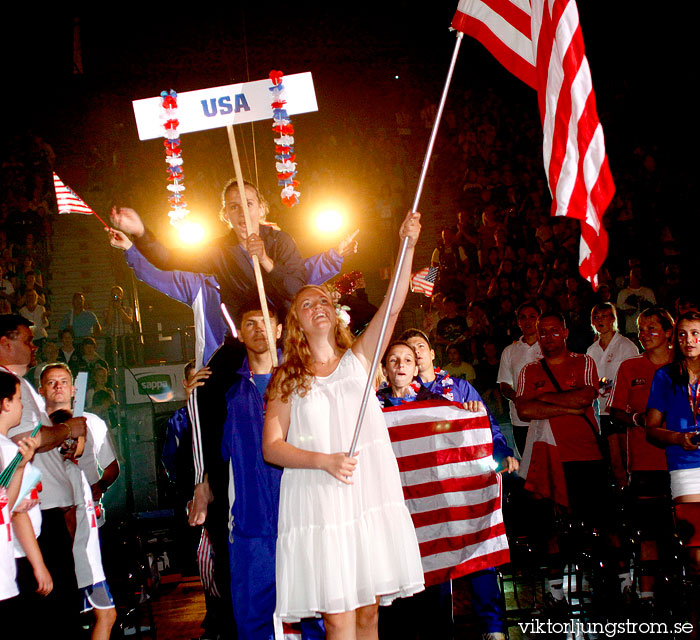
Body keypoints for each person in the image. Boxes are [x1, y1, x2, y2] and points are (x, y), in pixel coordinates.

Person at [262, 211, 425, 639]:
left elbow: (393, 305)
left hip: (366, 493)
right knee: (337, 617)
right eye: (306, 303)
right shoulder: (287, 377)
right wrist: (324, 460)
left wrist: (407, 244)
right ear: (295, 321)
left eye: (322, 300)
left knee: (369, 611)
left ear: (335, 313)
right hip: (317, 496)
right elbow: (272, 447)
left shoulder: (359, 362)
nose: (317, 306)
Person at [516, 311, 621, 610]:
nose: (548, 337)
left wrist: (545, 399)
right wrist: (567, 404)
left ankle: (615, 582)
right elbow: (524, 411)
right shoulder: (528, 370)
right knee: (550, 528)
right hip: (549, 457)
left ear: (564, 332)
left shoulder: (583, 361)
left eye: (553, 331)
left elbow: (585, 399)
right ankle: (555, 591)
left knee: (602, 523)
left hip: (586, 454)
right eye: (542, 332)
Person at [109, 179, 307, 323]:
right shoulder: (219, 250)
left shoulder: (281, 242)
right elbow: (169, 259)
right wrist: (140, 231)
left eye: (248, 204)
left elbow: (296, 291)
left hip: (287, 337)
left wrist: (265, 260)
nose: (242, 213)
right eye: (234, 207)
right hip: (244, 342)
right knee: (208, 381)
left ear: (262, 209)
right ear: (226, 215)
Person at [40, 366, 117, 640]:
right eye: (51, 383)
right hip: (62, 541)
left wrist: (99, 487)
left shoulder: (93, 422)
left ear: (74, 389)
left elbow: (111, 468)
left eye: (63, 382)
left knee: (104, 613)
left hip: (92, 529)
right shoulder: (36, 430)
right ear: (41, 390)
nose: (58, 387)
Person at [608, 307, 674, 607]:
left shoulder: (685, 363)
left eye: (652, 327)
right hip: (645, 463)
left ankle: (685, 589)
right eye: (641, 328)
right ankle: (647, 597)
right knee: (647, 533)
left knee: (684, 532)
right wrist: (636, 419)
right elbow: (615, 411)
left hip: (683, 462)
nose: (645, 333)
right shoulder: (630, 367)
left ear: (669, 332)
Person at [645, 310, 700, 626]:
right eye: (682, 334)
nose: (689, 341)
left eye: (695, 334)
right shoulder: (665, 376)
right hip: (686, 468)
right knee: (695, 555)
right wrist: (679, 438)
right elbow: (651, 429)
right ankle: (693, 620)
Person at [0, 371, 46, 634]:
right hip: (14, 559)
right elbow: (16, 512)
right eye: (18, 399)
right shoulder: (7, 450)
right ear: (5, 403)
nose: (21, 405)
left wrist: (20, 470)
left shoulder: (10, 450)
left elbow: (10, 505)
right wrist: (38, 566)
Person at [586, 302, 638, 487]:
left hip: (624, 409)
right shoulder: (591, 350)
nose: (600, 320)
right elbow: (589, 380)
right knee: (613, 458)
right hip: (603, 410)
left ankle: (634, 492)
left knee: (629, 456)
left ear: (613, 320)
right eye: (596, 317)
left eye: (604, 316)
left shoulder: (626, 346)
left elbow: (634, 377)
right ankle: (622, 495)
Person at [497, 301, 542, 456]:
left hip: (548, 416)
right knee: (528, 465)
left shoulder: (549, 346)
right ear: (518, 322)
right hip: (520, 419)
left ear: (539, 319)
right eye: (523, 317)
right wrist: (517, 398)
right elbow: (504, 384)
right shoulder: (509, 351)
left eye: (532, 316)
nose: (527, 321)